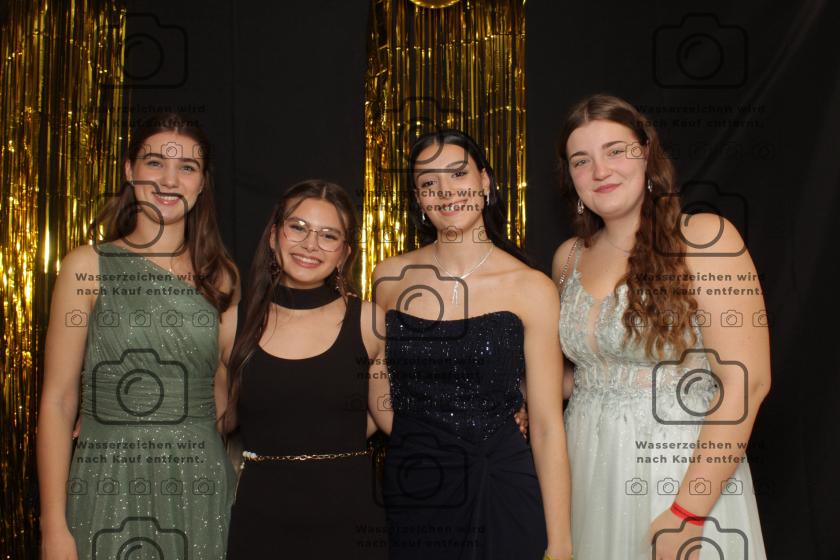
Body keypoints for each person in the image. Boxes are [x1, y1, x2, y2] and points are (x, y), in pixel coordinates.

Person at [552, 94, 770, 560]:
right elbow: (582, 376)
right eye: (581, 160)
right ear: (570, 176)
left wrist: (688, 512)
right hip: (586, 468)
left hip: (677, 473)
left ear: (646, 152)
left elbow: (747, 384)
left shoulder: (706, 239)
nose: (600, 170)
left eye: (616, 150)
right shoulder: (568, 258)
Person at [37, 113, 240, 559]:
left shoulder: (222, 277)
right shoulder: (87, 266)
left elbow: (227, 394)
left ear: (202, 183)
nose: (169, 180)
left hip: (199, 485)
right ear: (130, 170)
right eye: (155, 163)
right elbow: (58, 401)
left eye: (187, 167)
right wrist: (53, 528)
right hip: (108, 477)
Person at [373, 129, 573, 560]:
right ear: (418, 198)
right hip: (416, 488)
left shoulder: (532, 287)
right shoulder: (389, 278)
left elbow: (546, 426)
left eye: (458, 174)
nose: (446, 191)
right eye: (429, 182)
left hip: (500, 485)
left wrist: (561, 545)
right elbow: (377, 390)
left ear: (485, 181)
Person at [223, 180, 391, 558]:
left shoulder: (369, 321)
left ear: (345, 253)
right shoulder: (233, 323)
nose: (311, 244)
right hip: (260, 519)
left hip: (350, 519)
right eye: (298, 227)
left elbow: (392, 417)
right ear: (273, 237)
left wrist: (487, 414)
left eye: (328, 235)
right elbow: (215, 420)